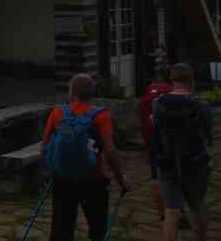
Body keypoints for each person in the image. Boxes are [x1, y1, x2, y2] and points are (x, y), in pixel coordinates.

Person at [43, 73, 129, 241]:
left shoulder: (58, 113)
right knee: (98, 228)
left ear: (71, 92)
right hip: (93, 179)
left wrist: (55, 167)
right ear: (92, 94)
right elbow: (110, 151)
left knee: (61, 229)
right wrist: (121, 179)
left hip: (63, 179)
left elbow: (45, 147)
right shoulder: (101, 116)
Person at [153, 62, 213, 241]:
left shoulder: (158, 103)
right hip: (195, 162)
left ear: (171, 80)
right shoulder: (200, 105)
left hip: (168, 162)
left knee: (171, 212)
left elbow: (156, 131)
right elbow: (207, 132)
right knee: (196, 206)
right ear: (191, 80)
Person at [136, 64, 172, 220]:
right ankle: (175, 210)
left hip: (152, 139)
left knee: (156, 177)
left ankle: (161, 214)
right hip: (170, 141)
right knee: (172, 177)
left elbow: (139, 110)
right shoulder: (173, 92)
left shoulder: (150, 90)